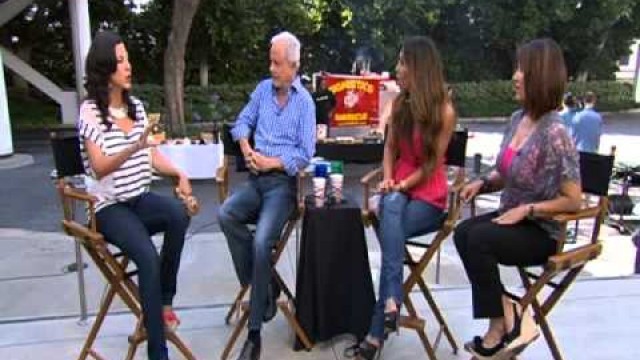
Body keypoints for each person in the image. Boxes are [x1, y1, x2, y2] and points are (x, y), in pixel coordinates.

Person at [454, 38, 582, 359]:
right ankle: (507, 316)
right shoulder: (516, 120)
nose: (515, 76)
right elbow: (506, 172)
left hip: (542, 231)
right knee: (463, 232)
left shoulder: (555, 133)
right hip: (512, 220)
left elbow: (574, 200)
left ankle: (502, 326)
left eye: (522, 69)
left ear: (540, 76)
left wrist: (529, 209)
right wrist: (481, 183)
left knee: (480, 239)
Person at [77, 31, 193, 360]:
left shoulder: (137, 108)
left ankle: (164, 300)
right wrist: (135, 146)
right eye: (121, 60)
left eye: (128, 58)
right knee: (146, 256)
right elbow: (99, 167)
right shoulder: (90, 113)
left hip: (138, 199)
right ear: (104, 69)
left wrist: (179, 173)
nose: (129, 66)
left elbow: (151, 156)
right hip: (109, 209)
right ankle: (159, 352)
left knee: (177, 214)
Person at [354, 36, 456, 360]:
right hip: (398, 188)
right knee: (392, 211)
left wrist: (401, 185)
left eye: (402, 62)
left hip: (429, 195)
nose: (397, 69)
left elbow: (430, 165)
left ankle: (377, 329)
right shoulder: (399, 104)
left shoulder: (444, 111)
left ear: (419, 68)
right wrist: (388, 179)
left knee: (390, 227)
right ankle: (391, 305)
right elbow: (389, 149)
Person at [217, 31, 315, 360]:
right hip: (256, 181)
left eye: (276, 62)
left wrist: (272, 161)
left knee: (261, 244)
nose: (271, 68)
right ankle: (267, 286)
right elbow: (241, 122)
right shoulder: (262, 90)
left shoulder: (304, 103)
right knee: (225, 214)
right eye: (270, 61)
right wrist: (246, 149)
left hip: (282, 188)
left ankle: (254, 333)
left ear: (293, 65)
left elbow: (305, 153)